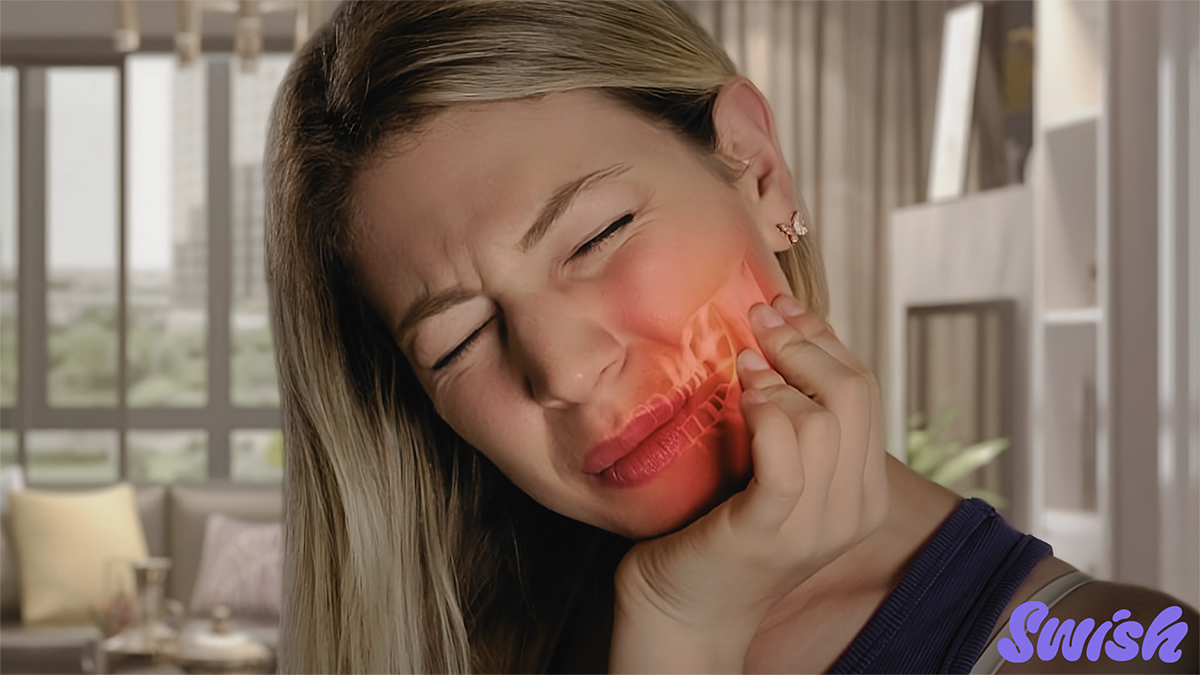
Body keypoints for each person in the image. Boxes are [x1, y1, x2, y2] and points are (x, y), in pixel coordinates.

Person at [265, 0, 1199, 673]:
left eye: (595, 236)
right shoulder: (455, 640)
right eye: (458, 339)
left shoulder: (1117, 647)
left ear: (757, 169)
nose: (566, 367)